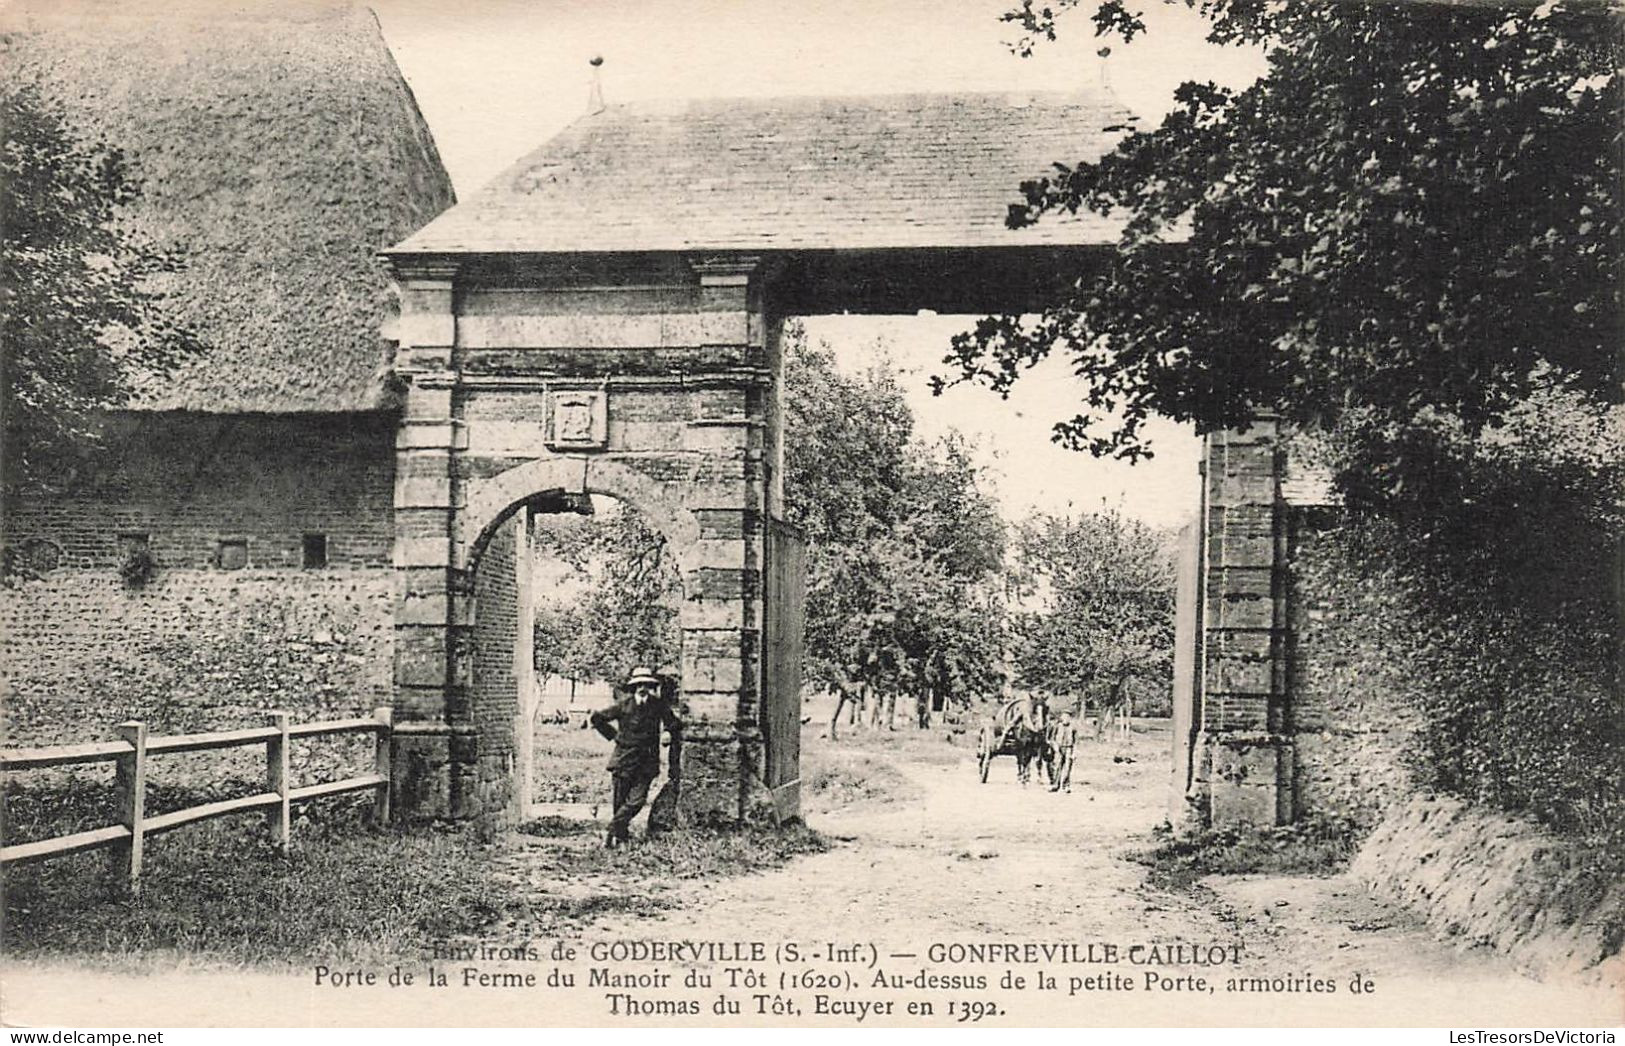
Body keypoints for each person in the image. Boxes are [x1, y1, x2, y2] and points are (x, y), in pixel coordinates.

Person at [590, 666, 683, 847]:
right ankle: (620, 840)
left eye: (646, 684)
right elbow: (597, 718)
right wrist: (614, 735)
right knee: (619, 802)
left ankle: (611, 829)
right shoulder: (623, 705)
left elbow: (674, 723)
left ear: (650, 686)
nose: (642, 688)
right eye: (639, 684)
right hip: (623, 760)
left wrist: (668, 732)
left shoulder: (657, 705)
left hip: (647, 762)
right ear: (633, 686)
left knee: (636, 802)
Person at [1049, 710, 1079, 793]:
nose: (1066, 719)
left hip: (1069, 748)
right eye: (1064, 717)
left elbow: (1076, 741)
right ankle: (1055, 785)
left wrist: (1074, 752)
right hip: (1059, 748)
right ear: (1061, 718)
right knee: (1057, 767)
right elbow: (1052, 738)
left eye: (1068, 717)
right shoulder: (1057, 726)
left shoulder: (1073, 728)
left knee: (1067, 767)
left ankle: (1066, 786)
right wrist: (1055, 746)